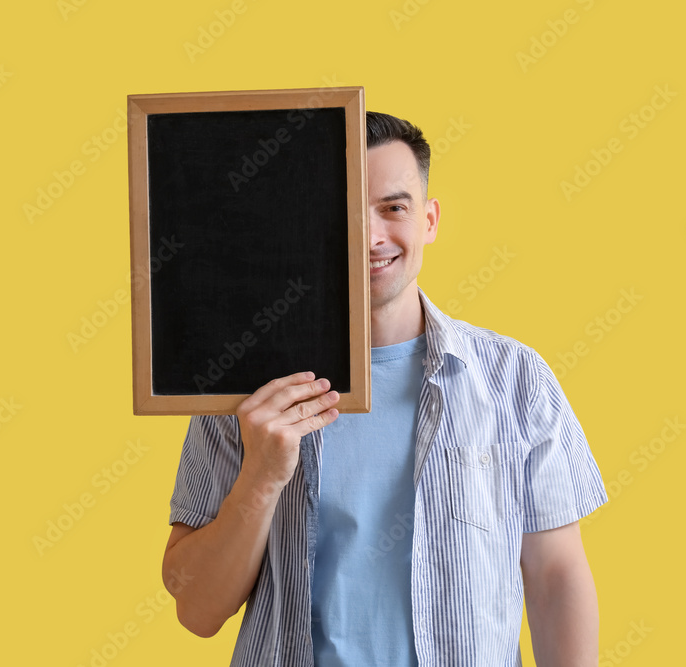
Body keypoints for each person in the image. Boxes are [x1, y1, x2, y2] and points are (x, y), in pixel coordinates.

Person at [162, 111, 609, 666]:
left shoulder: (513, 379)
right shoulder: (245, 391)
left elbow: (555, 574)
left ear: (429, 220)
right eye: (344, 211)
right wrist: (261, 477)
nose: (370, 236)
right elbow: (197, 610)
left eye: (393, 208)